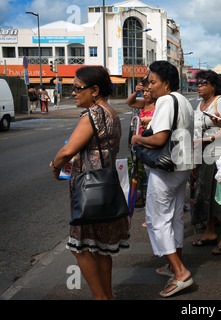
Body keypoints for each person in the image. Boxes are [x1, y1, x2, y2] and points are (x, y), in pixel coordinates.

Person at [50, 66, 130, 300]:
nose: (73, 93)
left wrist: (54, 166)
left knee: (82, 248)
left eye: (76, 88)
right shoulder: (111, 112)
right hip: (106, 188)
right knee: (103, 248)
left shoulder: (92, 114)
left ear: (94, 90)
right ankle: (108, 296)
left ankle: (100, 297)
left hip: (88, 191)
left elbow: (67, 151)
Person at [131, 60, 195, 297]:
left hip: (166, 168)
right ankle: (173, 263)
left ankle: (180, 272)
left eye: (153, 82)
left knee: (158, 219)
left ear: (166, 83)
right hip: (182, 166)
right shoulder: (184, 101)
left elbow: (159, 139)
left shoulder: (166, 100)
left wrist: (138, 140)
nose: (150, 86)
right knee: (175, 216)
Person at [191, 69, 221, 255]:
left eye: (203, 83)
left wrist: (206, 140)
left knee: (219, 195)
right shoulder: (201, 104)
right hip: (202, 156)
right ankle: (210, 232)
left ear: (213, 86)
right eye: (198, 83)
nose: (199, 86)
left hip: (219, 154)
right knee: (204, 193)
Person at [126, 77, 156, 211]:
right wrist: (135, 92)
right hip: (139, 144)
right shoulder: (143, 104)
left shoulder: (158, 105)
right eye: (143, 91)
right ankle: (142, 198)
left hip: (150, 144)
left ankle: (150, 203)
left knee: (150, 175)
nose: (145, 94)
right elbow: (130, 102)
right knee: (139, 172)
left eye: (147, 91)